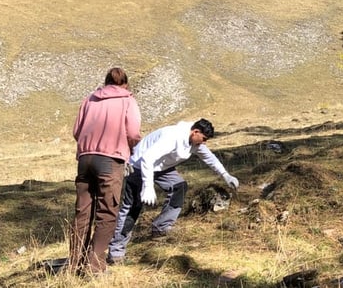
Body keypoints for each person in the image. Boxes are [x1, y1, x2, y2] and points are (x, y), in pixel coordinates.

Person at [107, 118, 239, 264]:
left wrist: (225, 175)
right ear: (195, 132)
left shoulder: (195, 141)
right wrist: (148, 185)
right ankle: (116, 253)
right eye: (203, 139)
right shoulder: (172, 137)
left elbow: (210, 159)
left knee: (179, 187)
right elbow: (147, 159)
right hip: (139, 166)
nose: (204, 143)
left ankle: (161, 227)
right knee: (132, 208)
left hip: (162, 168)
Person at [70, 67, 142, 275]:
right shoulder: (128, 100)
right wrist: (128, 146)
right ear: (125, 84)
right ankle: (95, 267)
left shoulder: (89, 99)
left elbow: (77, 131)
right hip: (111, 160)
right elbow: (134, 132)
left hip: (85, 160)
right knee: (107, 213)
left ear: (105, 82)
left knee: (82, 213)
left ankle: (75, 264)